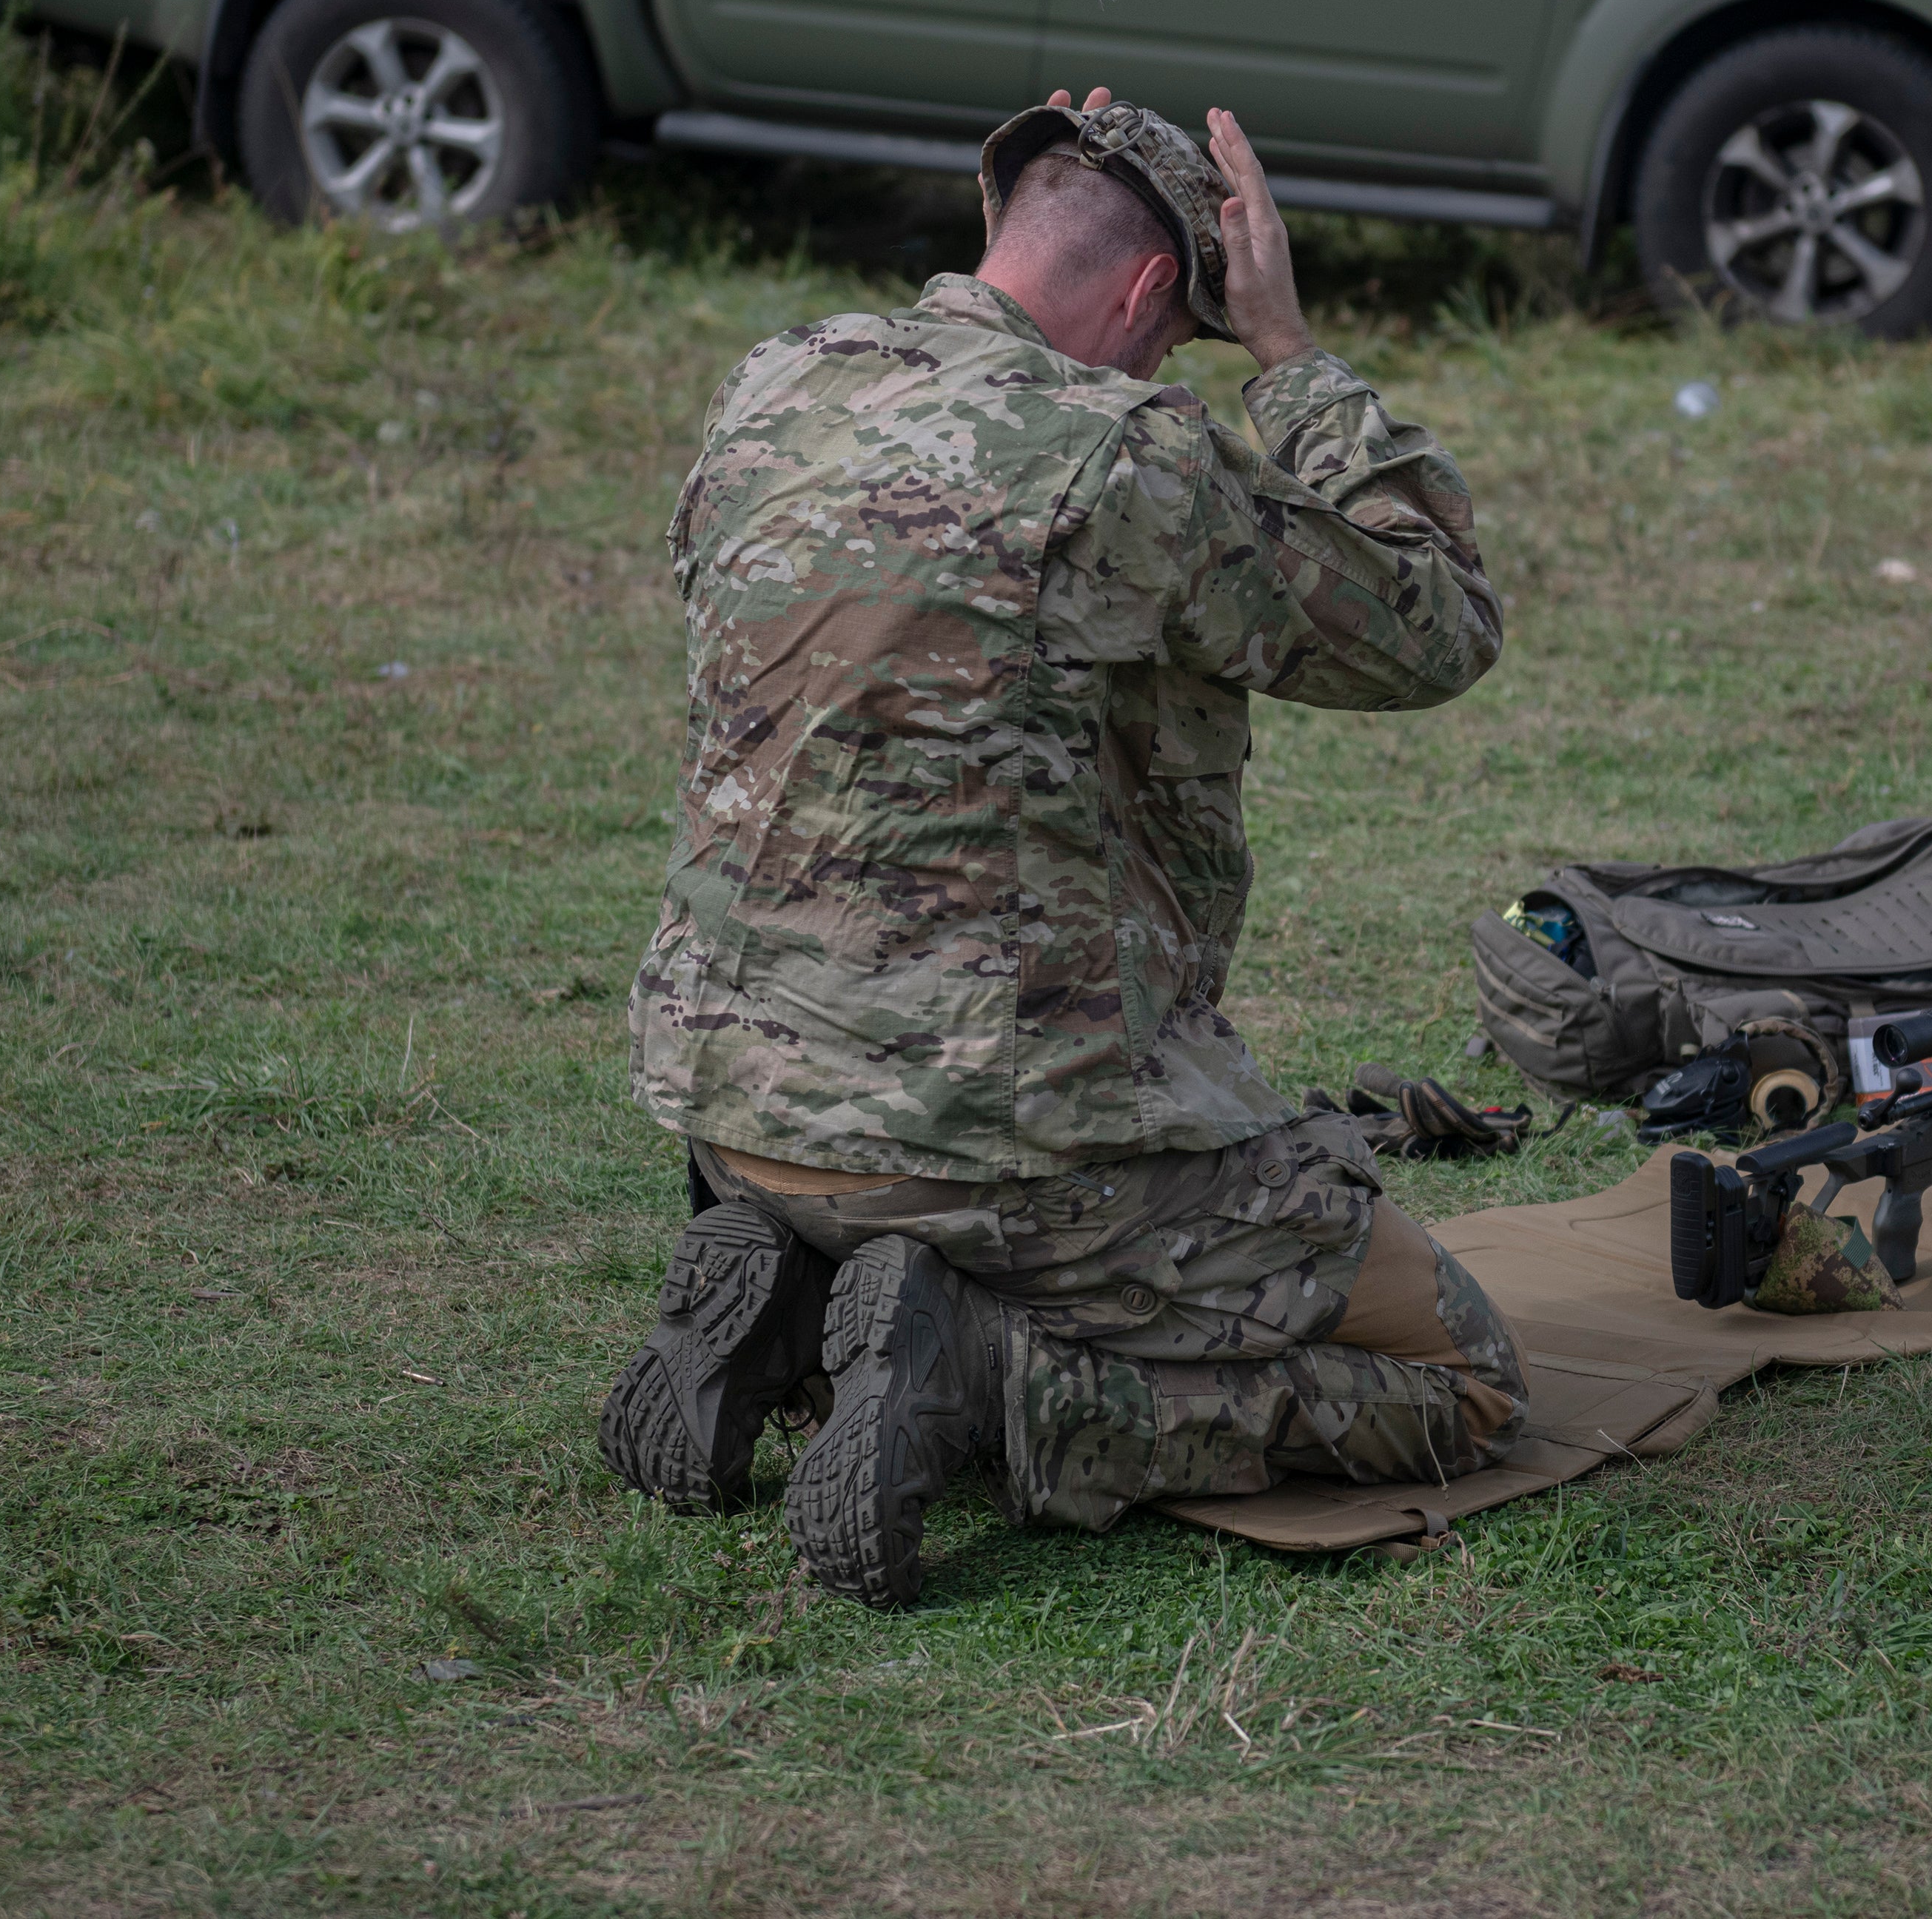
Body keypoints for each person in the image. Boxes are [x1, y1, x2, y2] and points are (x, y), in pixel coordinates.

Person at [600, 90, 1525, 1606]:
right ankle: (998, 1385)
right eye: (1180, 339)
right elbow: (1435, 626)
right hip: (1008, 1152)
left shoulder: (774, 387)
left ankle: (794, 1294)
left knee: (901, 1177)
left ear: (999, 221)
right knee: (1465, 1373)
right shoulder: (1127, 457)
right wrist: (1286, 351)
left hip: (731, 1106)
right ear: (1159, 292)